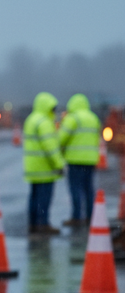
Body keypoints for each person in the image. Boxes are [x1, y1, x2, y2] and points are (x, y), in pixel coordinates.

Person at [23, 91, 65, 234]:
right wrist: (59, 164)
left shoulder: (31, 119)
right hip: (44, 168)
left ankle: (33, 224)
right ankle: (43, 224)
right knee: (44, 199)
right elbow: (51, 147)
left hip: (32, 167)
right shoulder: (45, 122)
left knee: (34, 198)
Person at [58, 93, 101, 226]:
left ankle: (76, 217)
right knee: (89, 189)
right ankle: (90, 217)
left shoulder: (73, 119)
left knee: (75, 189)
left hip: (75, 160)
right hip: (91, 160)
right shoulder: (94, 118)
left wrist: (61, 152)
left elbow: (61, 138)